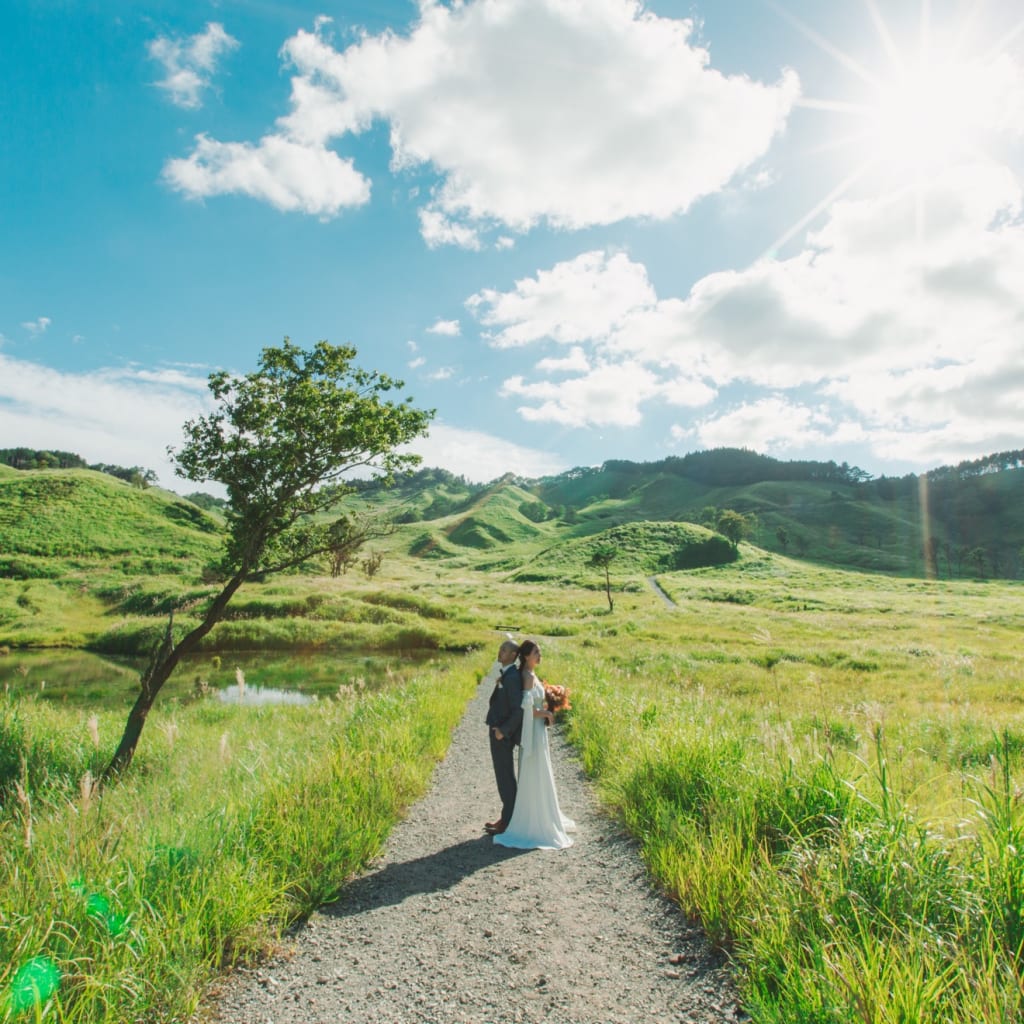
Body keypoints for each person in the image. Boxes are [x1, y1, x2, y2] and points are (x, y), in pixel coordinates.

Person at [494, 640, 575, 850]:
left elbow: (534, 702)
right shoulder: (527, 676)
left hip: (538, 731)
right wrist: (547, 713)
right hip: (533, 732)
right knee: (535, 770)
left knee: (541, 771)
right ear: (527, 656)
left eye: (539, 652)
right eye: (537, 652)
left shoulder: (532, 674)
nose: (540, 655)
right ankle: (532, 819)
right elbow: (527, 709)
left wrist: (549, 702)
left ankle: (542, 811)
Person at [483, 639, 523, 835]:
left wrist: (502, 731)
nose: (500, 652)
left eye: (504, 650)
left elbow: (518, 710)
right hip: (498, 732)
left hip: (502, 735)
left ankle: (509, 822)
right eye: (500, 648)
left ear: (513, 655)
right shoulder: (508, 674)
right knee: (502, 776)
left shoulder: (513, 677)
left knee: (506, 777)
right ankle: (506, 817)